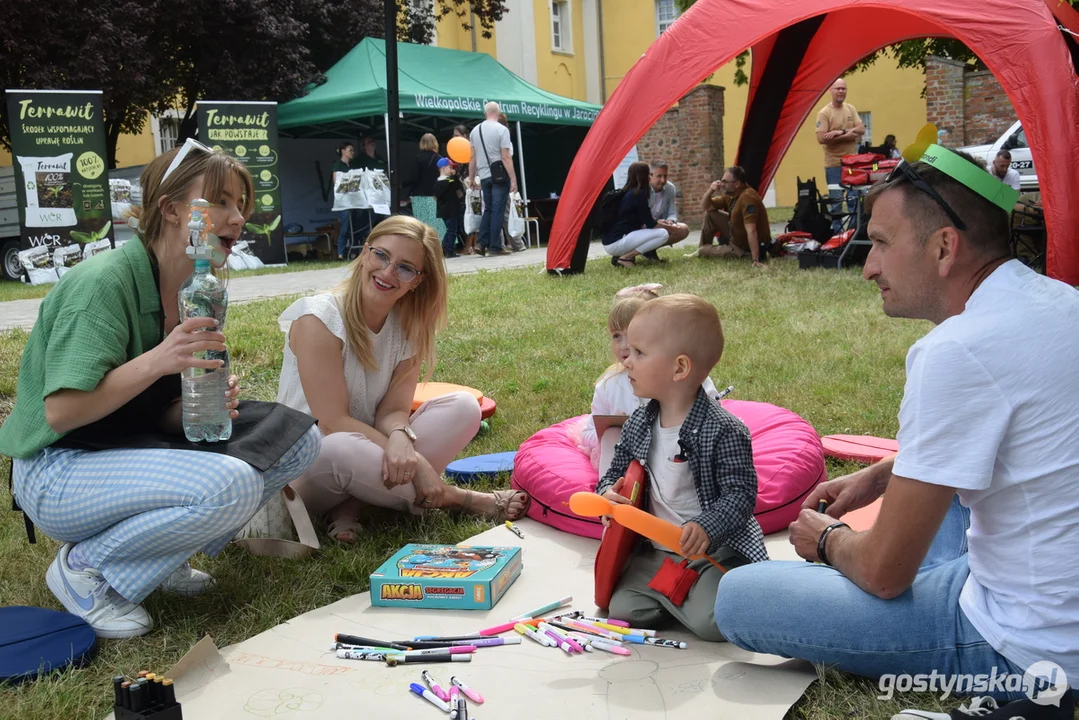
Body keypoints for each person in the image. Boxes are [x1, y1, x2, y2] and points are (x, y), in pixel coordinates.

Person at [714, 146, 1079, 716]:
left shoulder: (955, 351)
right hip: (1057, 587)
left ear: (943, 247)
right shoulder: (1058, 301)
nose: (868, 266)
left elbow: (886, 576)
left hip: (1024, 643)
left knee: (738, 597)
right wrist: (883, 477)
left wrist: (829, 543)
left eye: (882, 243)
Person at [0, 140, 322, 638]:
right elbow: (62, 412)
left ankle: (154, 556)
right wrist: (159, 360)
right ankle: (85, 567)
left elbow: (161, 414)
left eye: (242, 205)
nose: (237, 218)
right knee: (232, 483)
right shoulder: (101, 284)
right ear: (171, 209)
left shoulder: (204, 286)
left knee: (298, 440)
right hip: (57, 470)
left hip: (128, 447)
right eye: (221, 201)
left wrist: (202, 405)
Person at [276, 215, 530, 544]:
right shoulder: (318, 318)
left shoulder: (407, 325)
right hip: (311, 463)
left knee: (464, 408)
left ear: (418, 281)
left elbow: (394, 409)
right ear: (364, 253)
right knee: (343, 448)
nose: (387, 272)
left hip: (372, 452)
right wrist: (420, 463)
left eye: (405, 268)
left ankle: (354, 505)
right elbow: (332, 422)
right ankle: (458, 499)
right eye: (380, 255)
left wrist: (398, 436)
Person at [595, 294, 768, 641]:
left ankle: (705, 592)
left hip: (712, 551)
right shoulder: (638, 424)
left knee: (713, 623)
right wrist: (608, 494)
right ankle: (678, 593)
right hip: (656, 551)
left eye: (640, 353)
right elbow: (614, 473)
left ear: (679, 368)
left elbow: (741, 495)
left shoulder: (725, 429)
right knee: (624, 609)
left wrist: (706, 526)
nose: (627, 360)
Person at [568, 285, 721, 477]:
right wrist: (618, 428)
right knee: (611, 440)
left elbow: (715, 415)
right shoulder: (609, 386)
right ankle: (611, 499)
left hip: (677, 456)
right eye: (617, 336)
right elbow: (590, 434)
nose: (624, 345)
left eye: (635, 338)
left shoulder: (688, 377)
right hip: (630, 462)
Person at [816, 78, 865, 233]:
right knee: (836, 203)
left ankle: (852, 234)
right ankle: (837, 236)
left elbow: (862, 129)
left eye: (843, 88)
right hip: (834, 165)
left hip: (852, 164)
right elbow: (822, 138)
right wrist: (850, 134)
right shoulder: (824, 113)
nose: (841, 91)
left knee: (854, 201)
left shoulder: (850, 109)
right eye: (838, 88)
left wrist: (840, 132)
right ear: (831, 90)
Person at [468, 101, 517, 256]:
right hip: (499, 176)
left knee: (488, 209)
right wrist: (513, 179)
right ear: (498, 112)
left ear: (485, 113)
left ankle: (481, 243)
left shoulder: (474, 131)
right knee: (498, 210)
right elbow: (506, 156)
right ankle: (495, 246)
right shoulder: (502, 130)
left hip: (483, 176)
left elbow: (472, 158)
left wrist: (471, 178)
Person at [696, 166, 771, 267]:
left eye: (725, 182)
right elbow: (706, 207)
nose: (722, 184)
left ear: (737, 184)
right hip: (735, 235)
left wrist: (756, 259)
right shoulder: (731, 195)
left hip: (743, 248)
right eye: (722, 181)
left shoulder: (748, 198)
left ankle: (703, 250)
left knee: (702, 250)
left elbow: (751, 230)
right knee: (711, 214)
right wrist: (710, 190)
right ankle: (704, 248)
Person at [604, 161, 669, 268]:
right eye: (649, 174)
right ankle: (625, 258)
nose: (650, 177)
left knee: (660, 231)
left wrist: (658, 222)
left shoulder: (628, 192)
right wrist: (673, 229)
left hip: (611, 240)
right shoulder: (638, 194)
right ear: (642, 176)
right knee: (663, 234)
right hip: (617, 241)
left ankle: (623, 257)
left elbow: (642, 220)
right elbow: (650, 224)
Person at [404, 133, 446, 240]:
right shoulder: (440, 159)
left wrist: (401, 184)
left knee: (422, 224)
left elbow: (414, 177)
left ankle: (425, 246)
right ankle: (440, 244)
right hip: (436, 196)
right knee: (437, 223)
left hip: (420, 195)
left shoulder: (418, 158)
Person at [647, 161, 690, 253]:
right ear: (650, 175)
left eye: (665, 176)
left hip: (660, 226)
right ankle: (634, 251)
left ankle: (649, 250)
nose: (663, 180)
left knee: (683, 229)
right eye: (659, 176)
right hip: (644, 226)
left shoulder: (670, 188)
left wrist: (670, 221)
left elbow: (672, 211)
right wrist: (656, 222)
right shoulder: (642, 189)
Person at [332, 141, 358, 260]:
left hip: (354, 200)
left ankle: (354, 251)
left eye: (353, 150)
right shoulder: (338, 165)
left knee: (355, 225)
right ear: (343, 151)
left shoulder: (352, 166)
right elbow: (336, 184)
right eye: (350, 150)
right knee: (345, 226)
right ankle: (341, 253)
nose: (352, 152)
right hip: (343, 201)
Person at [434, 157, 463, 258]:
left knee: (449, 229)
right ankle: (449, 250)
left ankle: (444, 247)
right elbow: (459, 192)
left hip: (443, 210)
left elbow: (436, 197)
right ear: (443, 168)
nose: (452, 170)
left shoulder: (436, 182)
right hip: (452, 209)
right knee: (452, 230)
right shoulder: (450, 182)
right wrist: (455, 178)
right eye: (450, 167)